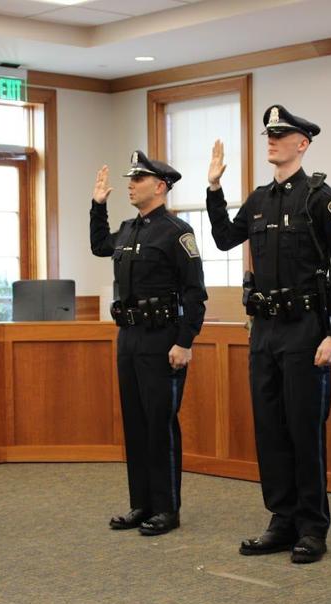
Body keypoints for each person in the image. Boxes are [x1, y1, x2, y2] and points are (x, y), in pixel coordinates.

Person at [206, 105, 331, 563]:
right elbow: (224, 239)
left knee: (303, 429)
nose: (271, 140)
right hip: (265, 330)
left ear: (302, 143)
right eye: (268, 134)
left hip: (306, 330)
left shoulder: (319, 197)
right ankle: (281, 518)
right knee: (270, 428)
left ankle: (312, 527)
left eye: (281, 134)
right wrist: (214, 188)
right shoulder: (258, 200)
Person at [90, 151, 207, 536]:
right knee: (136, 423)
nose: (130, 184)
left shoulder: (177, 232)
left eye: (138, 179)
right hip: (130, 336)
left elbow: (194, 293)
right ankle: (141, 503)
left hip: (163, 340)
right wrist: (98, 205)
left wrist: (185, 341)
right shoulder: (128, 229)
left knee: (160, 424)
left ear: (160, 186)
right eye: (130, 179)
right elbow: (100, 246)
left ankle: (167, 509)